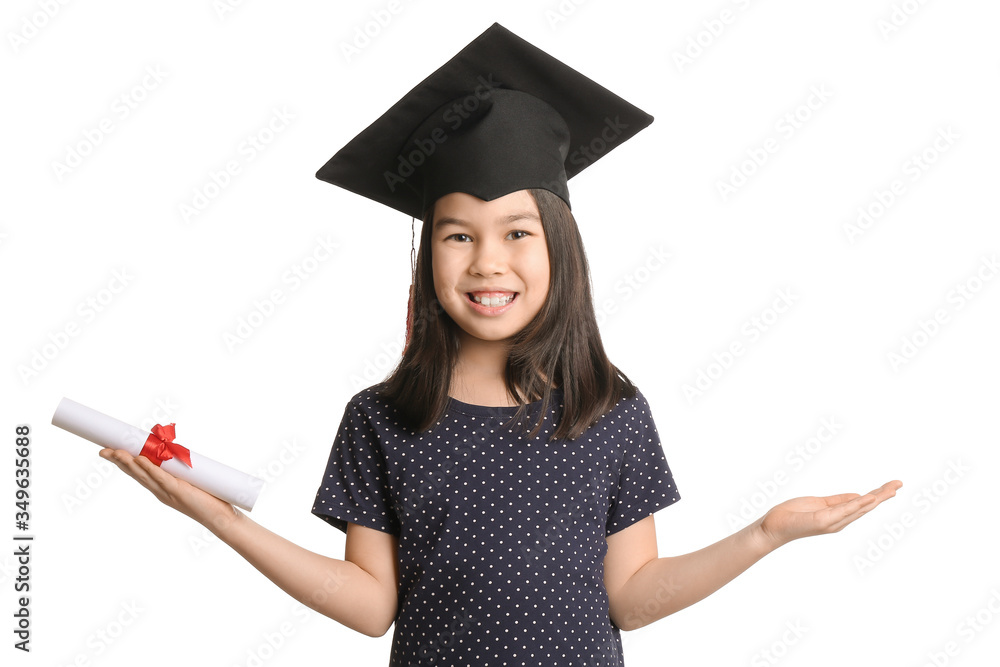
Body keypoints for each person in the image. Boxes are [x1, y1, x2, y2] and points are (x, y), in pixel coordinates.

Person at [100, 23, 902, 666]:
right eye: (457, 235)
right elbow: (372, 606)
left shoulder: (610, 410)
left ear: (560, 246)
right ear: (428, 255)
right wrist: (222, 519)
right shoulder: (380, 418)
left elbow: (632, 597)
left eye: (517, 232)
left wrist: (765, 533)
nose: (487, 262)